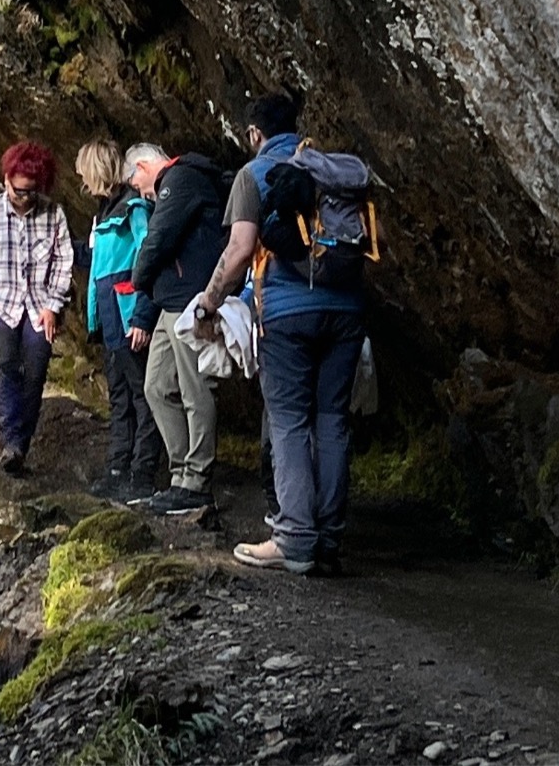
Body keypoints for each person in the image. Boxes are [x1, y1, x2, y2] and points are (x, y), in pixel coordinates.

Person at [198, 94, 367, 575]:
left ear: (254, 134)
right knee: (332, 419)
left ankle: (294, 535)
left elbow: (240, 250)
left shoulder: (255, 174)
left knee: (290, 420)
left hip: (289, 314)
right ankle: (329, 536)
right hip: (348, 306)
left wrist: (209, 304)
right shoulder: (330, 169)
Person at [122, 141, 229, 519]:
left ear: (145, 165)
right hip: (170, 302)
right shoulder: (172, 184)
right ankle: (181, 472)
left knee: (194, 389)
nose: (140, 191)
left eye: (136, 182)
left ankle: (197, 480)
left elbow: (160, 238)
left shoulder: (180, 178)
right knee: (156, 386)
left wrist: (138, 278)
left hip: (190, 301)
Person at [0, 139, 71, 475]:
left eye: (29, 192)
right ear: (6, 180)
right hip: (2, 302)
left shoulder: (53, 214)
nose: (22, 197)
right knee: (8, 363)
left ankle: (21, 443)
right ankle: (10, 441)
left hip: (40, 304)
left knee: (36, 368)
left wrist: (54, 305)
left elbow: (63, 262)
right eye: (17, 190)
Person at [77, 140, 166, 500]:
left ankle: (142, 472)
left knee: (143, 395)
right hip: (110, 316)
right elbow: (100, 260)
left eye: (84, 170)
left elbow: (149, 257)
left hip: (129, 314)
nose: (81, 178)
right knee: (119, 395)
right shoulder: (103, 212)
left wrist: (143, 315)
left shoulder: (134, 208)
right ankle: (118, 466)